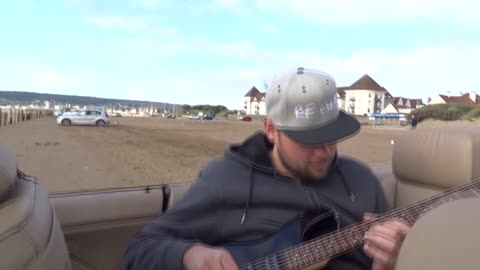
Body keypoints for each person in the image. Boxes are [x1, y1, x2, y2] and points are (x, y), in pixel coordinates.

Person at [123, 67, 411, 270]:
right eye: (309, 139)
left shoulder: (360, 179)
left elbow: (385, 257)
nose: (325, 150)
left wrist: (390, 262)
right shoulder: (225, 180)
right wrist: (189, 255)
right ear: (272, 130)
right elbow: (140, 251)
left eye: (331, 136)